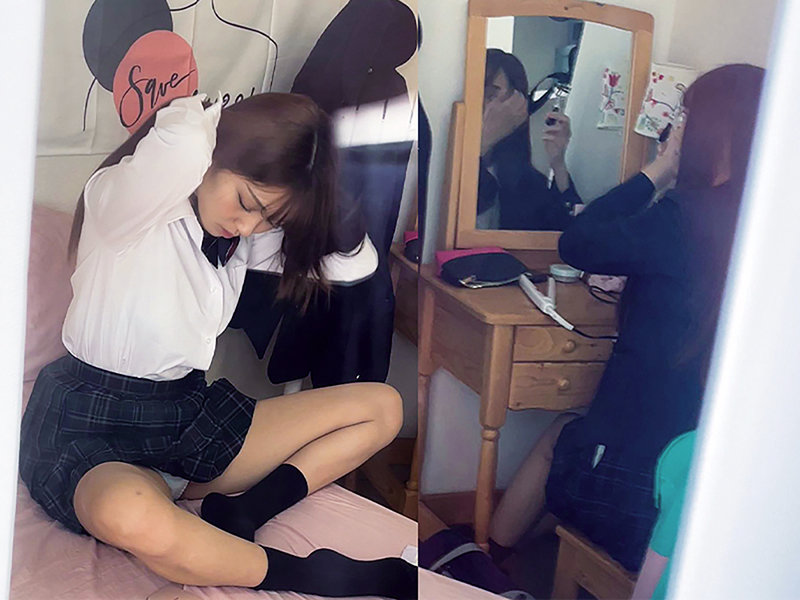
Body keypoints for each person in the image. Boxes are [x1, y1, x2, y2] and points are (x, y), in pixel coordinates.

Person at [19, 92, 416, 599]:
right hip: (90, 424)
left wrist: (317, 192)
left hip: (183, 417)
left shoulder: (240, 239)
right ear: (214, 156)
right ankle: (322, 575)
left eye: (271, 220)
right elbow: (182, 142)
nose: (249, 226)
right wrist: (208, 119)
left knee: (382, 406)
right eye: (247, 203)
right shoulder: (125, 205)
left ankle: (242, 512)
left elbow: (353, 263)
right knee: (130, 514)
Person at [488, 64, 765, 572]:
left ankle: (486, 560)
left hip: (639, 492)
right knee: (584, 439)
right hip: (697, 488)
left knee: (563, 437)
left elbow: (578, 242)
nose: (677, 129)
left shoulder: (684, 216)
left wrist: (660, 169)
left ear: (713, 132)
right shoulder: (765, 223)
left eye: (685, 118)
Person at [478, 48, 581, 231]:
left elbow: (568, 235)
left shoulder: (528, 184)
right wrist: (484, 141)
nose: (486, 105)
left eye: (492, 96)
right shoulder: (447, 164)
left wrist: (558, 164)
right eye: (480, 95)